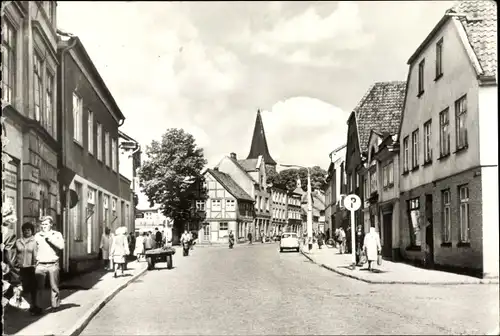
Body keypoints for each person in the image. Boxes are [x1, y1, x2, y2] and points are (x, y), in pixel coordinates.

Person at [34, 215, 65, 314]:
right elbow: (34, 249)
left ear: (51, 224)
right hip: (40, 265)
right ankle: (38, 307)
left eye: (46, 224)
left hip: (53, 264)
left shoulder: (57, 234)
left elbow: (61, 246)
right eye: (42, 224)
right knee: (39, 287)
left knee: (54, 286)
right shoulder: (37, 235)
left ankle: (55, 306)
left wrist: (49, 238)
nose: (44, 226)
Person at [14, 222, 39, 314]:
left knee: (32, 288)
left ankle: (33, 306)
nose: (26, 231)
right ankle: (21, 305)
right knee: (21, 287)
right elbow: (15, 254)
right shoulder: (18, 241)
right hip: (20, 268)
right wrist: (15, 265)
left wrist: (36, 265)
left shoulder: (35, 241)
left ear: (32, 231)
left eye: (29, 230)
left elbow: (37, 254)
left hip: (31, 268)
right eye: (25, 230)